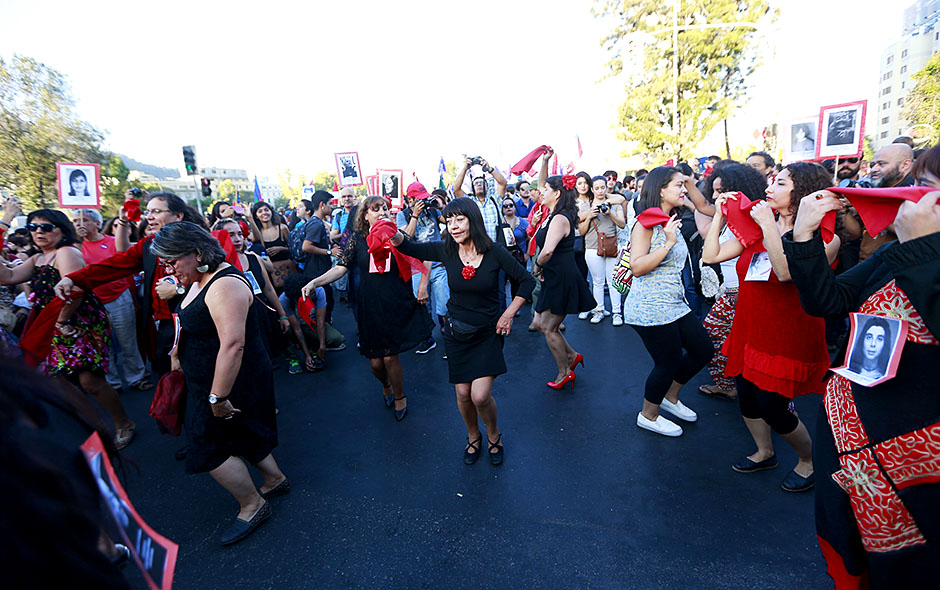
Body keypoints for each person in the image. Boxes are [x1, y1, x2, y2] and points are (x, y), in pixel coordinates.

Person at [780, 143, 940, 588]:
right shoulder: (896, 252)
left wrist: (924, 249)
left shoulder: (916, 251)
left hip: (913, 474)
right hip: (850, 446)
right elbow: (827, 300)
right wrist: (804, 236)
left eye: (925, 187)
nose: (911, 197)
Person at [702, 161, 839, 491]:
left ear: (802, 191)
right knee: (748, 399)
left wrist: (766, 225)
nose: (768, 189)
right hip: (750, 327)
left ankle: (808, 461)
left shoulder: (825, 238)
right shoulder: (757, 229)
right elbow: (711, 256)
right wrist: (720, 215)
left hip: (787, 333)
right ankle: (764, 452)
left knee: (773, 407)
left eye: (779, 183)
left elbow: (785, 272)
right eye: (771, 182)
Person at [153, 221, 288, 545]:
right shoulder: (200, 278)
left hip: (227, 383)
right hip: (209, 379)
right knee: (241, 431)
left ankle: (253, 505)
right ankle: (274, 479)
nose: (169, 269)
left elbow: (233, 345)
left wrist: (218, 397)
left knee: (206, 446)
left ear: (197, 253)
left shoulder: (225, 284)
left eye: (172, 261)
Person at [391, 197, 535, 465]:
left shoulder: (494, 251)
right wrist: (390, 231)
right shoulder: (446, 249)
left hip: (488, 333)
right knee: (462, 394)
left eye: (460, 219)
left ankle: (493, 434)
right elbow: (409, 247)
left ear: (473, 220)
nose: (454, 226)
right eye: (449, 221)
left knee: (480, 396)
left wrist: (508, 314)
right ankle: (473, 436)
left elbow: (527, 281)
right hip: (457, 332)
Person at [0, 209, 136, 449]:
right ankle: (96, 428)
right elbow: (7, 276)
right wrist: (2, 227)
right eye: (33, 227)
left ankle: (123, 423)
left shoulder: (66, 252)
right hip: (54, 325)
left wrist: (62, 322)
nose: (39, 232)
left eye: (46, 227)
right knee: (59, 381)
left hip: (80, 322)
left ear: (62, 230)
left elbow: (74, 291)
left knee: (90, 381)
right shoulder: (37, 258)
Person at [302, 196, 433, 421]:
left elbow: (424, 255)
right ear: (365, 215)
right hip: (370, 305)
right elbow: (341, 268)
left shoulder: (397, 236)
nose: (382, 212)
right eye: (375, 209)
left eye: (385, 208)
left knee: (390, 358)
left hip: (395, 302)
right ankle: (386, 385)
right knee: (375, 364)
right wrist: (315, 282)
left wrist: (423, 285)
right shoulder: (358, 239)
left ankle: (399, 395)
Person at [54, 192, 203, 377]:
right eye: (148, 212)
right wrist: (73, 278)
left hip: (197, 324)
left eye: (156, 211)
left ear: (178, 215)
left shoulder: (199, 241)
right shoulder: (149, 244)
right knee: (168, 378)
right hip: (163, 326)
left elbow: (218, 278)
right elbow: (115, 265)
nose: (149, 217)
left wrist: (180, 289)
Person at [623, 167, 713, 437]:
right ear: (661, 190)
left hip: (674, 303)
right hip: (649, 307)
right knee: (667, 362)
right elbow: (637, 267)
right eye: (678, 185)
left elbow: (705, 208)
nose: (683, 189)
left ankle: (669, 397)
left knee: (703, 350)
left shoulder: (670, 218)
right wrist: (668, 243)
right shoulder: (646, 223)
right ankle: (648, 415)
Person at [696, 164, 769, 401]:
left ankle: (772, 402)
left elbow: (712, 255)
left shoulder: (756, 220)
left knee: (723, 340)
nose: (715, 197)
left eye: (720, 191)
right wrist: (719, 215)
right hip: (730, 293)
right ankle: (729, 384)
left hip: (743, 294)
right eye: (714, 191)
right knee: (717, 338)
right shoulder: (733, 217)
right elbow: (710, 254)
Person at [532, 154, 596, 390]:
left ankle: (565, 372)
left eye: (547, 190)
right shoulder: (552, 213)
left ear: (557, 194)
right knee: (540, 323)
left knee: (549, 328)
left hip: (562, 277)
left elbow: (548, 251)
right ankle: (572, 356)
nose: (542, 192)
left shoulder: (559, 218)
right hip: (553, 276)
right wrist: (544, 162)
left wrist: (538, 266)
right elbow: (542, 183)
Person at [72, 209, 150, 392]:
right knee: (102, 345)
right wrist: (77, 241)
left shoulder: (112, 241)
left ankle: (136, 377)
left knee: (128, 341)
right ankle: (112, 383)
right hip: (92, 302)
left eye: (84, 220)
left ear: (97, 223)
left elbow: (125, 253)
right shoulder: (74, 247)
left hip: (118, 297)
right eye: (75, 221)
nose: (79, 224)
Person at [212, 219, 291, 362]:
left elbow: (268, 289)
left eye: (240, 234)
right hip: (240, 325)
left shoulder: (254, 258)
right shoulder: (217, 267)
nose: (237, 239)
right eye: (231, 235)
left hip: (263, 317)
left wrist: (283, 316)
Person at [397, 182, 448, 355]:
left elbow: (449, 220)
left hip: (438, 264)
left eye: (424, 199)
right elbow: (406, 237)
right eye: (418, 199)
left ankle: (447, 335)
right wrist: (415, 215)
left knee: (444, 303)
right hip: (417, 267)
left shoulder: (432, 211)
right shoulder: (403, 215)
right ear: (410, 200)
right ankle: (427, 338)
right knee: (422, 304)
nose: (422, 202)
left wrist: (441, 207)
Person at [579, 175, 626, 326]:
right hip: (592, 247)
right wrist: (589, 216)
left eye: (602, 187)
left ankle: (616, 313)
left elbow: (622, 224)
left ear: (606, 188)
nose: (600, 191)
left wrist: (610, 213)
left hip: (612, 246)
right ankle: (598, 310)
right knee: (598, 281)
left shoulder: (614, 204)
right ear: (592, 189)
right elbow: (581, 231)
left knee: (613, 281)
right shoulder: (586, 207)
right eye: (597, 188)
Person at [454, 156, 507, 241]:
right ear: (473, 189)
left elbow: (503, 183)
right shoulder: (469, 202)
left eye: (482, 183)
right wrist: (465, 169)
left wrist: (489, 169)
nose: (479, 184)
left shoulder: (495, 199)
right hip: (477, 245)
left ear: (487, 187)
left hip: (496, 244)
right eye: (476, 183)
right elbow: (456, 189)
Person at [302, 191, 335, 321]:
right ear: (322, 205)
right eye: (330, 204)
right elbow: (306, 246)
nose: (332, 207)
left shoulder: (317, 222)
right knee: (323, 308)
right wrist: (328, 252)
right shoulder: (316, 224)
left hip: (317, 270)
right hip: (316, 271)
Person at [249, 201, 292, 289]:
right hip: (269, 274)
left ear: (271, 212)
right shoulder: (256, 234)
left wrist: (281, 248)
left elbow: (293, 248)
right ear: (256, 216)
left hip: (286, 270)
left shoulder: (282, 228)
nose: (264, 213)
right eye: (260, 211)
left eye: (266, 210)